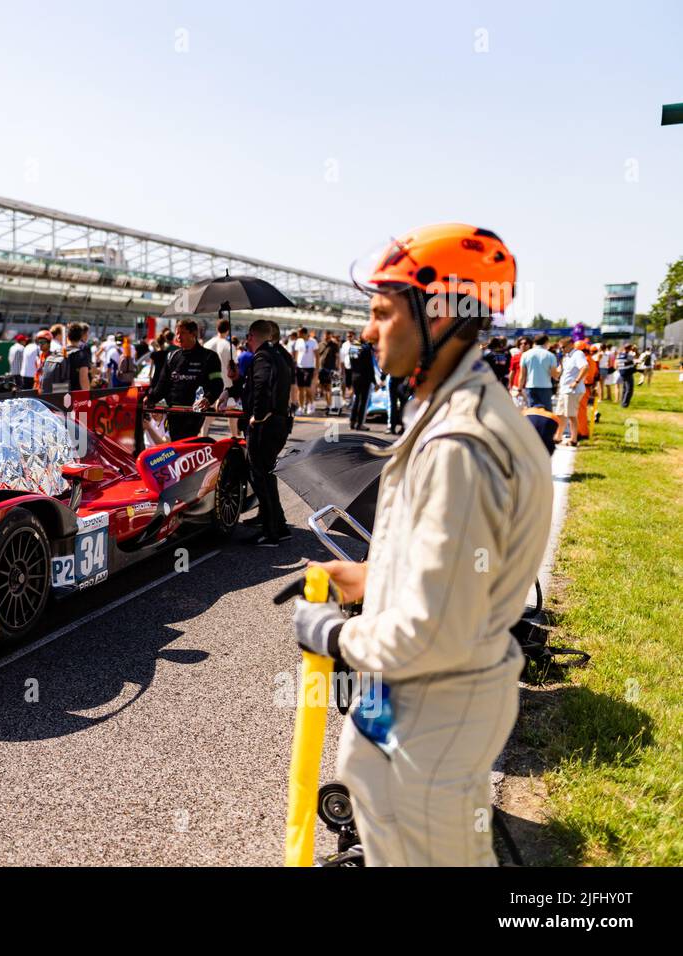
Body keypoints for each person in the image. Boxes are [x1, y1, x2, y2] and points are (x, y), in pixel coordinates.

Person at [295, 223, 551, 866]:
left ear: (441, 315)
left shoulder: (461, 444)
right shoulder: (453, 414)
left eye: (381, 312)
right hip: (421, 717)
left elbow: (430, 630)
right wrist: (371, 578)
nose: (365, 330)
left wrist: (330, 634)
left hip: (428, 725)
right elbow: (448, 562)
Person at [242, 319, 293, 546]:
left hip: (265, 425)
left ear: (253, 336)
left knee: (260, 475)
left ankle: (273, 532)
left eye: (248, 336)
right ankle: (278, 524)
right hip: (279, 422)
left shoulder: (262, 357)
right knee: (266, 474)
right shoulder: (281, 355)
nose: (246, 341)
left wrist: (258, 415)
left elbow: (262, 386)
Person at [143, 317, 223, 440]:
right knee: (174, 444)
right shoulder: (172, 356)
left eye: (182, 333)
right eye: (177, 333)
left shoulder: (209, 357)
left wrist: (208, 398)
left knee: (187, 441)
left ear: (193, 334)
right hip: (173, 411)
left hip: (194, 412)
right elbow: (162, 384)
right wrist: (150, 398)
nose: (178, 337)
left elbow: (217, 384)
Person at [554, 337, 587, 446]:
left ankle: (573, 440)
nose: (561, 349)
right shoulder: (566, 356)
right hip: (564, 390)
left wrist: (576, 381)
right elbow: (560, 371)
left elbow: (585, 367)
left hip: (572, 390)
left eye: (563, 347)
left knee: (571, 416)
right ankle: (558, 437)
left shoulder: (578, 354)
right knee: (560, 414)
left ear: (571, 344)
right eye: (560, 347)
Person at [519, 333, 558, 410]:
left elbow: (522, 375)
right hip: (545, 387)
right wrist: (559, 373)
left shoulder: (525, 355)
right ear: (546, 342)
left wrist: (520, 388)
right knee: (546, 413)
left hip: (530, 387)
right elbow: (554, 375)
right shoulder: (550, 355)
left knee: (532, 412)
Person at [349, 336, 376, 431]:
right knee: (363, 401)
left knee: (356, 400)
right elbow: (370, 365)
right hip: (365, 377)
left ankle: (352, 421)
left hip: (354, 376)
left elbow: (351, 362)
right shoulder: (366, 348)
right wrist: (374, 381)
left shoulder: (353, 347)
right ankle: (360, 424)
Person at [292, 326, 318, 414]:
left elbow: (317, 356)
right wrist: (294, 366)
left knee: (307, 387)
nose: (298, 334)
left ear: (303, 333)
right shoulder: (298, 341)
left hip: (310, 367)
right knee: (300, 388)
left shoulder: (313, 342)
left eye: (299, 333)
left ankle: (311, 404)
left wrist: (316, 369)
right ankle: (301, 407)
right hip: (300, 367)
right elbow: (295, 354)